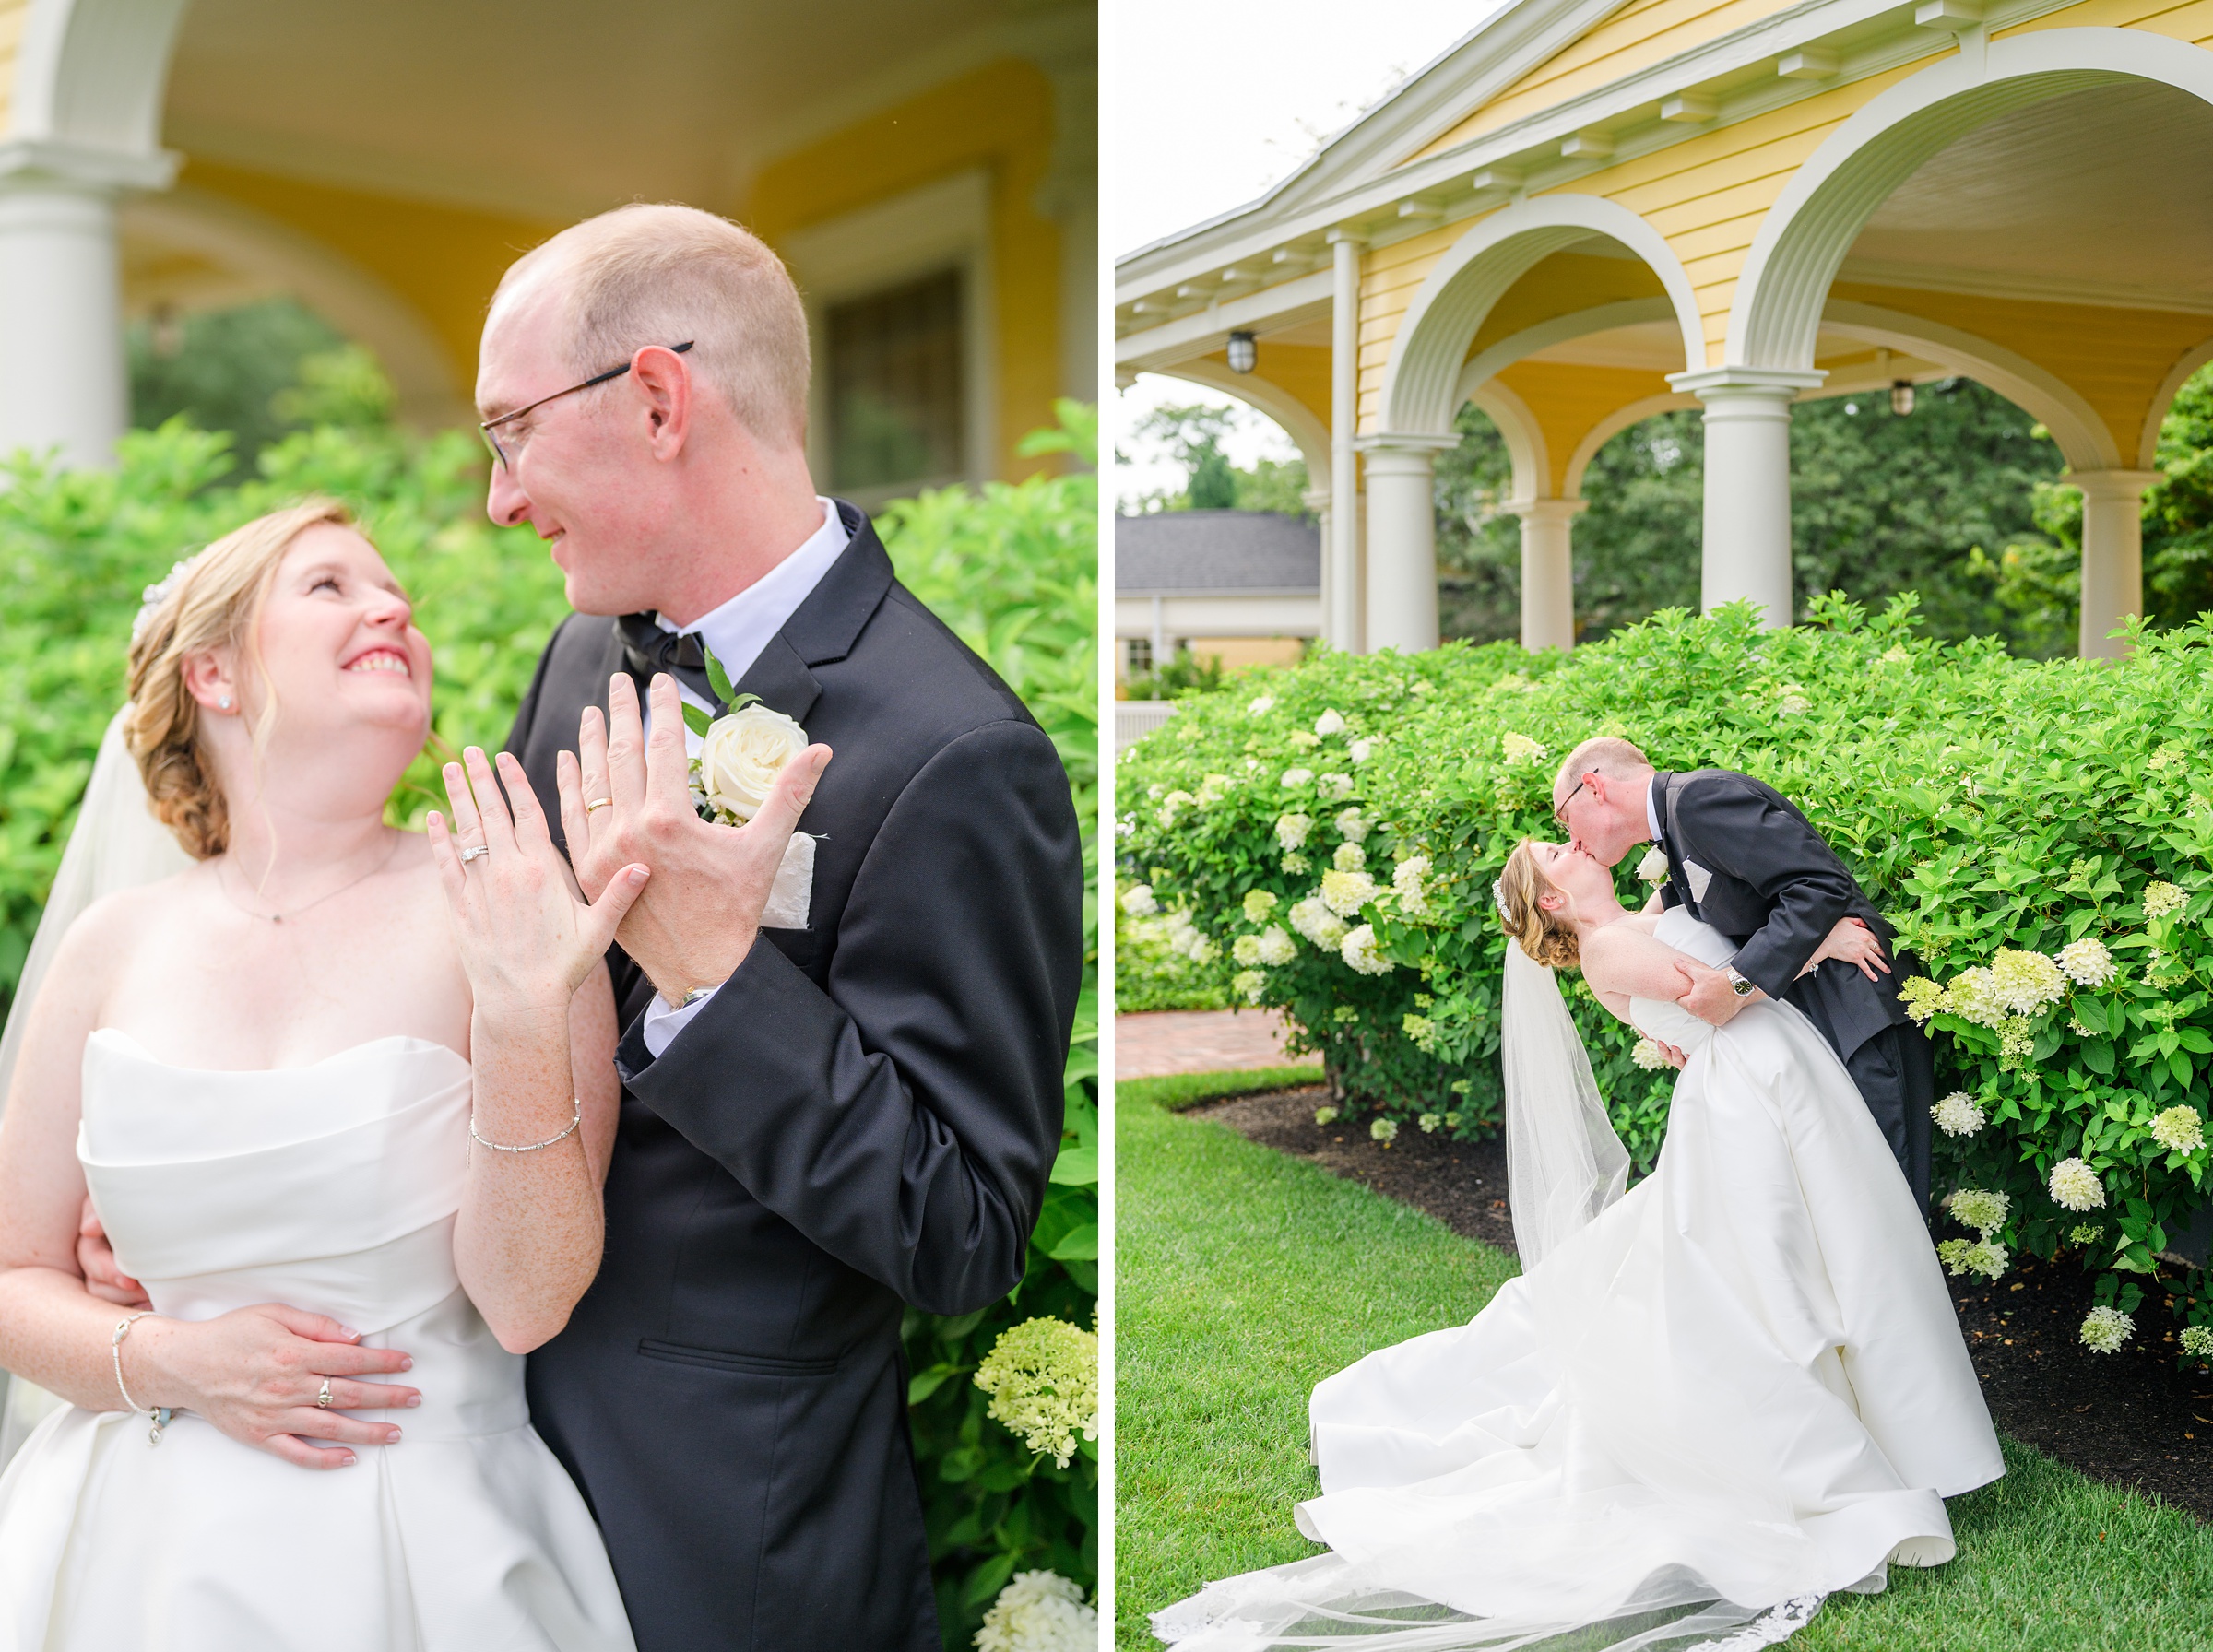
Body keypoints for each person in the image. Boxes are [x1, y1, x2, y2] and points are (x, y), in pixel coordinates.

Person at [0, 501, 801, 1646]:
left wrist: (526, 1012)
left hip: (421, 1537)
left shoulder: (511, 899)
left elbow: (528, 1302)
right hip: (123, 1544)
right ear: (213, 674)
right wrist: (178, 1361)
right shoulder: (108, 948)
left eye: (399, 599)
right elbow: (13, 1275)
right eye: (330, 586)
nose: (393, 609)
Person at [479, 204, 1083, 1648]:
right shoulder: (581, 656)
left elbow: (965, 1234)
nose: (499, 499)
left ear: (659, 399)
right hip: (483, 1459)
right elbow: (514, 987)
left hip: (729, 1531)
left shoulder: (958, 755)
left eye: (510, 433)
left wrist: (717, 984)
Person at [1155, 838, 2001, 1652]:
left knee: (1817, 1253)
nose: (1569, 848)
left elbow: (1709, 937)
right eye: (1553, 855)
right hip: (1747, 1089)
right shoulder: (1605, 954)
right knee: (1769, 1271)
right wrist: (1821, 946)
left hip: (1773, 1078)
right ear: (1553, 900)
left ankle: (1882, 1414)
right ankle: (1820, 1440)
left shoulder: (1646, 911)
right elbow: (1719, 989)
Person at [1553, 736, 1936, 1207]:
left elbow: (1819, 885)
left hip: (1854, 1007)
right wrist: (1664, 1025)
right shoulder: (1674, 829)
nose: (1571, 839)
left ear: (1594, 787)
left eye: (1565, 819)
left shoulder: (1698, 800)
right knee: (1849, 1204)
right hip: (1809, 1031)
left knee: (1887, 1203)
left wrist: (1738, 986)